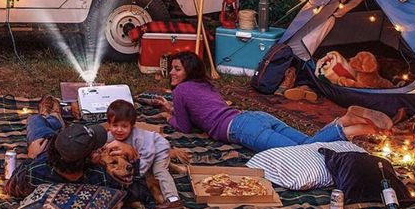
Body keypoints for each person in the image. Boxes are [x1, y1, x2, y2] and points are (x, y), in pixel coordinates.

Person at [149, 51, 393, 153]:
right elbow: (201, 111)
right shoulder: (203, 86)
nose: (172, 73)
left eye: (177, 69)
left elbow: (184, 126)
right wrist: (169, 106)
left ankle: (355, 128)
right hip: (255, 117)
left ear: (187, 71)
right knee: (308, 143)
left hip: (240, 128)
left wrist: (166, 116)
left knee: (301, 153)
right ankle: (346, 120)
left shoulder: (181, 91)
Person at [7, 95, 127, 198]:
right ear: (91, 157)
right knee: (50, 127)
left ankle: (53, 117)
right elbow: (131, 190)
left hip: (45, 147)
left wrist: (31, 158)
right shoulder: (99, 177)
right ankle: (56, 118)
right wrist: (132, 154)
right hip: (57, 145)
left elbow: (11, 186)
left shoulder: (36, 170)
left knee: (35, 120)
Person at [105, 99, 184, 209]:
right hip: (143, 153)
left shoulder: (139, 138)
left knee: (159, 171)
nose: (119, 130)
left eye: (124, 126)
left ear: (132, 126)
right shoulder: (110, 136)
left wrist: (136, 174)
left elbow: (148, 155)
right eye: (115, 125)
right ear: (109, 125)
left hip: (157, 148)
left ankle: (173, 199)